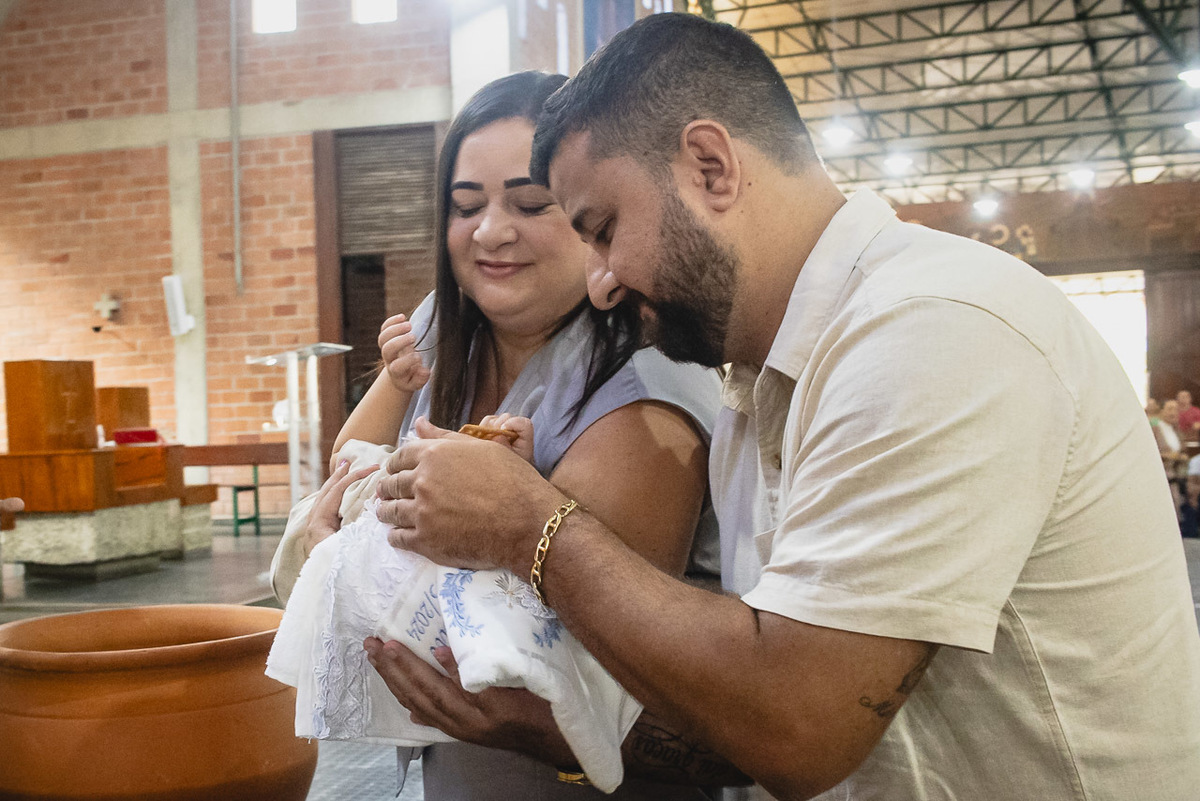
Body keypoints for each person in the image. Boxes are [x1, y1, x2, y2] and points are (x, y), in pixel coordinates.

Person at [368, 13, 1200, 801]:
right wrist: (548, 726)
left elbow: (798, 725)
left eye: (606, 226)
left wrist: (530, 525)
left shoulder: (931, 325)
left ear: (711, 166)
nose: (602, 280)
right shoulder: (751, 395)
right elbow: (739, 719)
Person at [272, 70, 727, 800]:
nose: (490, 231)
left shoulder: (647, 390)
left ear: (591, 215)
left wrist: (339, 567)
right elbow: (352, 471)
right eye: (465, 206)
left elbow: (549, 637)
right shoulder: (441, 329)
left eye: (529, 203)